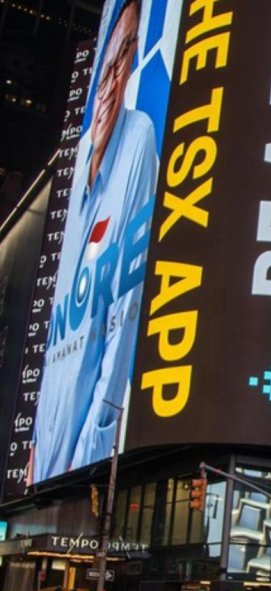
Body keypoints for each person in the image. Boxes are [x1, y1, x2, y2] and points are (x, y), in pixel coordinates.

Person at [31, 0, 157, 483]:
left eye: (126, 56)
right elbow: (62, 306)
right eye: (108, 61)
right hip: (46, 444)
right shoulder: (82, 149)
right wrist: (39, 445)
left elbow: (124, 314)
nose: (109, 81)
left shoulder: (139, 137)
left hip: (83, 453)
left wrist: (91, 452)